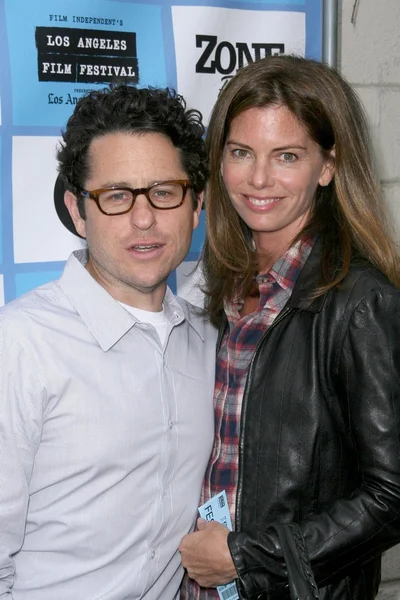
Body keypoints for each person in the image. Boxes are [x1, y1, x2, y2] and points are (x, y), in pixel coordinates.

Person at [179, 55, 400, 600]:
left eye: (286, 156)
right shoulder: (220, 282)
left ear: (327, 165)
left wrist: (246, 555)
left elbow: (392, 495)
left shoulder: (360, 301)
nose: (258, 179)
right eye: (240, 152)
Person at [0, 85, 217, 599]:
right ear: (77, 211)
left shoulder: (211, 343)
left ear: (197, 204)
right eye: (117, 196)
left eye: (164, 191)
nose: (144, 218)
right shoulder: (21, 344)